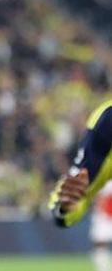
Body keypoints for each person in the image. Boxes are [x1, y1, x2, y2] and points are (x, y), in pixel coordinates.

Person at [50, 100, 112, 271]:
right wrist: (65, 207)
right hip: (106, 205)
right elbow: (80, 183)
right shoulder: (106, 122)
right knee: (100, 238)